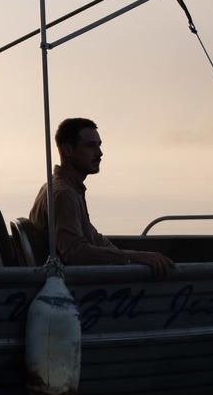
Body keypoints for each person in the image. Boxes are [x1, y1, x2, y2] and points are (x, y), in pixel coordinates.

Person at [27, 117, 176, 277]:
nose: (99, 153)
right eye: (90, 146)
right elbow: (74, 252)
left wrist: (130, 256)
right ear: (68, 150)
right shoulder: (64, 194)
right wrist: (134, 257)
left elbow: (92, 237)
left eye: (99, 145)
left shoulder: (65, 188)